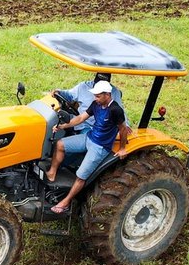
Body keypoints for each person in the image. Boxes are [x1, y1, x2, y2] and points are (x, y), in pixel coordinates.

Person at [46, 80, 131, 214]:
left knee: (81, 176)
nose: (95, 98)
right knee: (60, 144)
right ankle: (51, 173)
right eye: (95, 95)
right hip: (89, 137)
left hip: (100, 147)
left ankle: (66, 202)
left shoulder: (115, 110)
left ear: (107, 95)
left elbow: (123, 129)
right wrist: (62, 126)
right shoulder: (96, 104)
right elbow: (80, 119)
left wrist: (122, 149)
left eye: (98, 96)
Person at [49, 72, 123, 135]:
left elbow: (120, 112)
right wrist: (59, 92)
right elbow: (69, 95)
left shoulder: (114, 93)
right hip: (84, 123)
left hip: (99, 128)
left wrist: (125, 127)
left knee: (88, 140)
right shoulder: (83, 87)